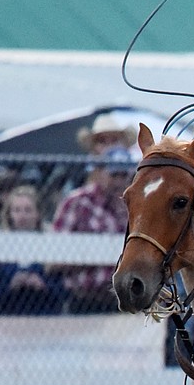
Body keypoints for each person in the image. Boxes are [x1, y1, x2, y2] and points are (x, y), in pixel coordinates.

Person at [51, 114, 137, 313]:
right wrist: (93, 254)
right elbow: (52, 257)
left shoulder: (137, 206)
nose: (118, 180)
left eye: (114, 140)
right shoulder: (77, 202)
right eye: (102, 141)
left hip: (129, 301)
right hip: (85, 301)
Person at [0, 185, 67, 316]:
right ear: (9, 214)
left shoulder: (49, 244)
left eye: (28, 210)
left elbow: (62, 288)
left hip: (44, 315)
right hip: (4, 316)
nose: (22, 216)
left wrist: (42, 284)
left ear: (38, 214)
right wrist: (10, 284)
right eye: (17, 210)